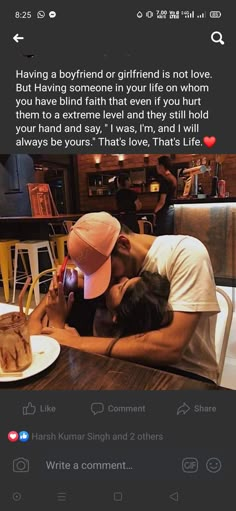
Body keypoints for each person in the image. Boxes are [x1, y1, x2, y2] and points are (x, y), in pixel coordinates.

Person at [39, 211, 220, 383]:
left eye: (108, 272)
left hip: (187, 375)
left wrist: (78, 343)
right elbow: (41, 319)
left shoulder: (185, 254)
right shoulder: (102, 260)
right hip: (131, 366)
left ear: (124, 244)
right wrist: (56, 301)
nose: (109, 281)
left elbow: (169, 348)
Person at [153, 156, 177, 235]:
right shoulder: (172, 178)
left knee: (163, 236)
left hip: (165, 211)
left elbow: (162, 201)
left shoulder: (164, 180)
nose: (156, 167)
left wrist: (154, 212)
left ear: (162, 166)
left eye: (157, 165)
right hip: (172, 209)